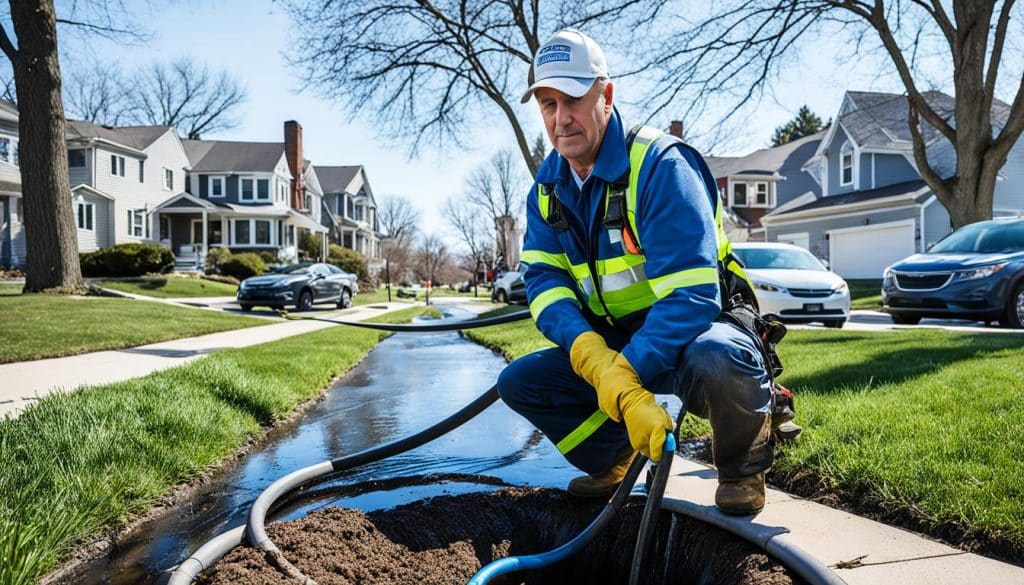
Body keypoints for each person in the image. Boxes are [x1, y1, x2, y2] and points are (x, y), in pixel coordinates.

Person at [497, 28, 775, 515]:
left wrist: (625, 375)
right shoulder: (547, 187)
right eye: (547, 104)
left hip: (694, 331)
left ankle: (741, 468)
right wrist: (593, 359)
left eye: (574, 100)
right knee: (521, 382)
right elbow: (544, 281)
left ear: (606, 95)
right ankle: (616, 455)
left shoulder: (660, 166)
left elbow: (692, 295)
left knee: (719, 358)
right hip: (614, 339)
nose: (561, 119)